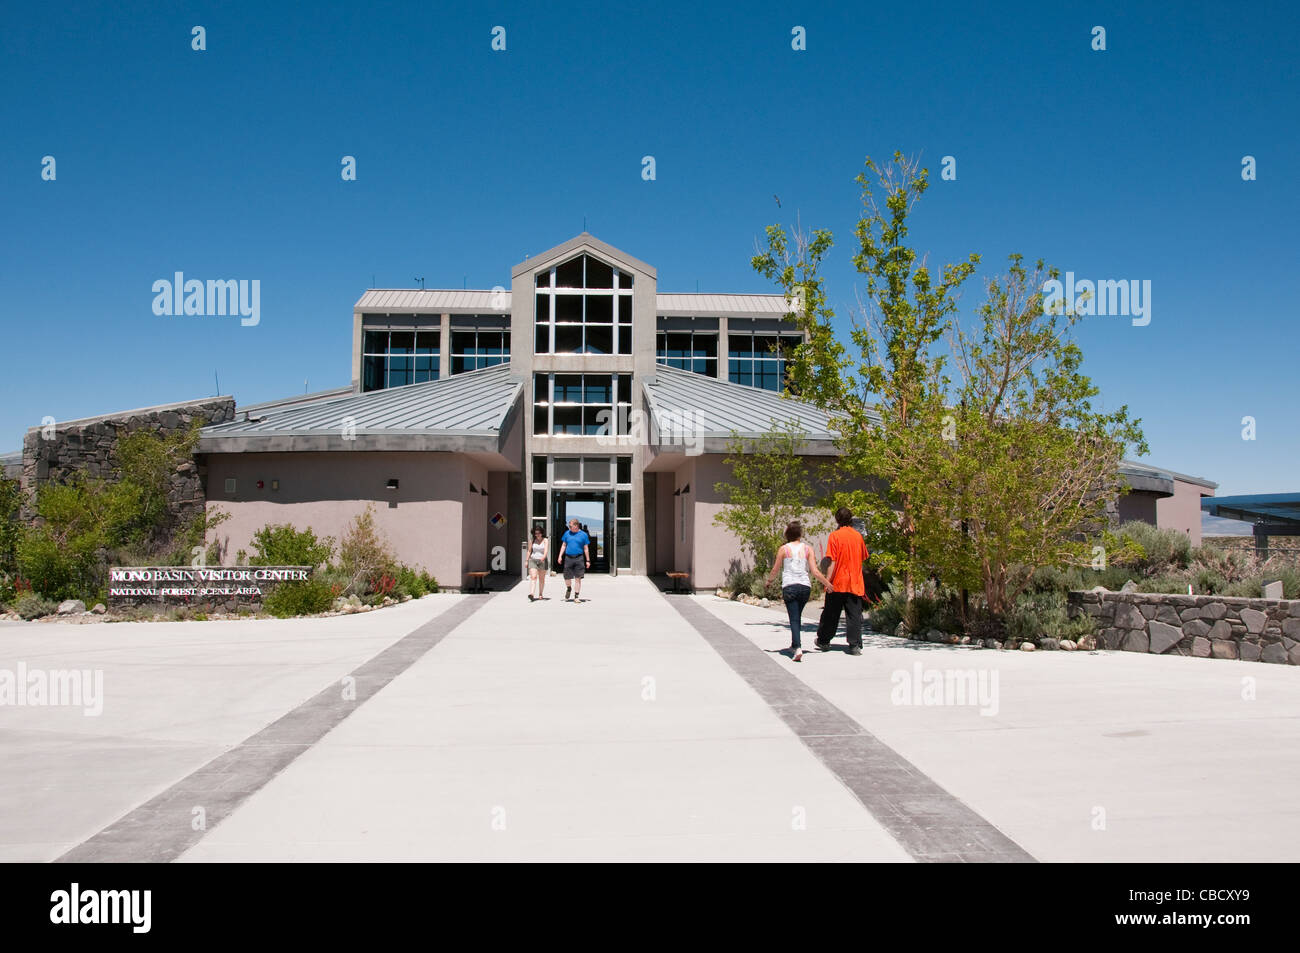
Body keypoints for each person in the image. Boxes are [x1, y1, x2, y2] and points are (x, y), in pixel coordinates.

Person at [766, 521, 832, 662]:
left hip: (790, 586)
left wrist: (769, 581)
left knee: (794, 618)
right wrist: (827, 583)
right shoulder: (808, 549)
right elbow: (814, 571)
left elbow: (775, 569)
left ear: (787, 534)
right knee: (797, 617)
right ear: (800, 534)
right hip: (804, 587)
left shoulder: (783, 549)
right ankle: (794, 644)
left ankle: (798, 648)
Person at [815, 507, 869, 655]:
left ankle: (824, 640)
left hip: (838, 582)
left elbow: (832, 561)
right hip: (855, 582)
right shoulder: (858, 537)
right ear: (850, 519)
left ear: (837, 520)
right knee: (854, 615)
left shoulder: (835, 536)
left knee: (831, 614)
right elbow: (863, 558)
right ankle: (854, 645)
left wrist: (827, 581)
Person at [556, 517, 591, 601]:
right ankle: (568, 588)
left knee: (578, 578)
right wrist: (560, 556)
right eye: (569, 526)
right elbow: (564, 545)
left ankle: (576, 596)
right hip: (568, 558)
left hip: (579, 558)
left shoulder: (583, 535)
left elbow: (586, 548)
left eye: (571, 526)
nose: (569, 528)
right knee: (567, 577)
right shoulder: (567, 533)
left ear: (576, 526)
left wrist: (588, 560)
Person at [526, 525, 549, 601]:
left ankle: (540, 594)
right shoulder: (532, 540)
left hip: (542, 560)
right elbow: (529, 551)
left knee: (541, 579)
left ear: (542, 533)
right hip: (533, 560)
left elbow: (546, 550)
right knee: (533, 577)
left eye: (538, 533)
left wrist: (543, 557)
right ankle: (532, 594)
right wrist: (526, 560)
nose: (537, 535)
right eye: (535, 533)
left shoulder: (545, 540)